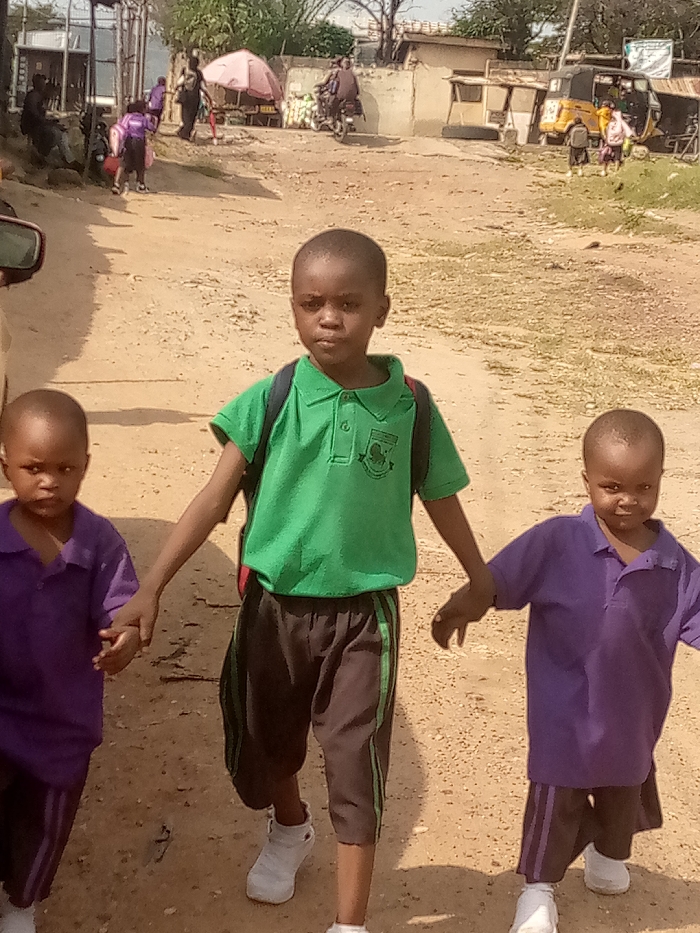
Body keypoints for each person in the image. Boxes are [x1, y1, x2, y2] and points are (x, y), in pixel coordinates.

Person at [101, 229, 495, 933]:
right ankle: (289, 825)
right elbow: (213, 499)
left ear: (382, 309)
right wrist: (152, 585)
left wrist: (478, 576)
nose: (329, 319)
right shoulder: (271, 398)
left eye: (349, 303)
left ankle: (349, 924)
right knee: (267, 740)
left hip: (364, 617)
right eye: (312, 303)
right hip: (273, 608)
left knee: (356, 765)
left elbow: (440, 496)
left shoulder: (410, 405)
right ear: (292, 307)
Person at [433, 409, 700, 933]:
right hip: (563, 714)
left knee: (623, 790)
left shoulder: (676, 566)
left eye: (643, 487)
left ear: (661, 480)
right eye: (612, 486)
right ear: (587, 480)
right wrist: (464, 604)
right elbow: (499, 579)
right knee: (556, 800)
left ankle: (608, 853)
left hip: (632, 718)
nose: (628, 500)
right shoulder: (557, 542)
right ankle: (538, 891)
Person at [0, 389, 141, 933]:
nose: (49, 482)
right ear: (6, 467)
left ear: (86, 465)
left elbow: (122, 610)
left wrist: (125, 639)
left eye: (65, 468)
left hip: (63, 725)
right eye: (33, 468)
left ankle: (21, 906)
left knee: (45, 824)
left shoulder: (99, 542)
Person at [20, 73, 77, 167]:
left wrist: (51, 120)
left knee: (62, 132)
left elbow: (40, 114)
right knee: (55, 133)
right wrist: (49, 122)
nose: (44, 85)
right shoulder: (33, 96)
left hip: (38, 124)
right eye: (42, 83)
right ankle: (41, 155)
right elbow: (34, 115)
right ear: (37, 84)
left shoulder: (38, 95)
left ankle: (69, 159)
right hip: (32, 126)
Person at [112, 100, 155, 195]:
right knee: (140, 164)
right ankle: (141, 185)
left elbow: (121, 127)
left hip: (127, 141)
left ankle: (117, 184)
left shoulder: (128, 117)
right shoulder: (143, 119)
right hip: (139, 143)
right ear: (142, 109)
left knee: (124, 163)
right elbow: (151, 128)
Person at [176, 56, 207, 141]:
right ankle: (185, 133)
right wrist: (208, 97)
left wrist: (176, 89)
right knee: (192, 117)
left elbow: (179, 82)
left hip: (185, 97)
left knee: (185, 116)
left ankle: (184, 133)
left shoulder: (185, 70)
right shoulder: (199, 73)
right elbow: (203, 87)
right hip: (195, 98)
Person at [600, 108, 634, 176]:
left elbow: (605, 132)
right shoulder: (622, 123)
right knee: (617, 157)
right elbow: (628, 133)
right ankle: (616, 171)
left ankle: (604, 170)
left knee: (607, 156)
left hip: (609, 142)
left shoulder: (609, 123)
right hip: (618, 143)